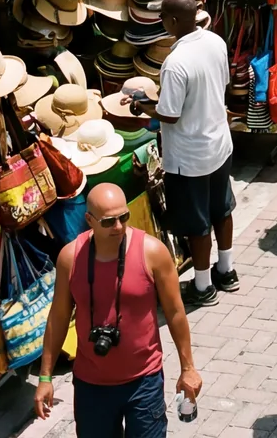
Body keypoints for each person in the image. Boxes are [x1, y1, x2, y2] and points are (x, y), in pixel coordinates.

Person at [36, 183, 199, 434]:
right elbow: (58, 318)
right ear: (89, 220)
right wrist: (45, 377)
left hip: (143, 383)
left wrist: (188, 368)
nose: (119, 227)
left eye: (124, 217)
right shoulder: (70, 259)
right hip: (91, 387)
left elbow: (176, 312)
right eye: (109, 221)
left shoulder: (153, 252)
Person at [148, 0, 236, 305]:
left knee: (198, 223)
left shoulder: (175, 63)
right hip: (219, 144)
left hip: (190, 156)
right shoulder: (215, 41)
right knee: (222, 209)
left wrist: (145, 106)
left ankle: (202, 287)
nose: (161, 21)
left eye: (162, 17)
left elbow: (169, 115)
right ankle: (226, 271)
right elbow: (220, 84)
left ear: (172, 21)